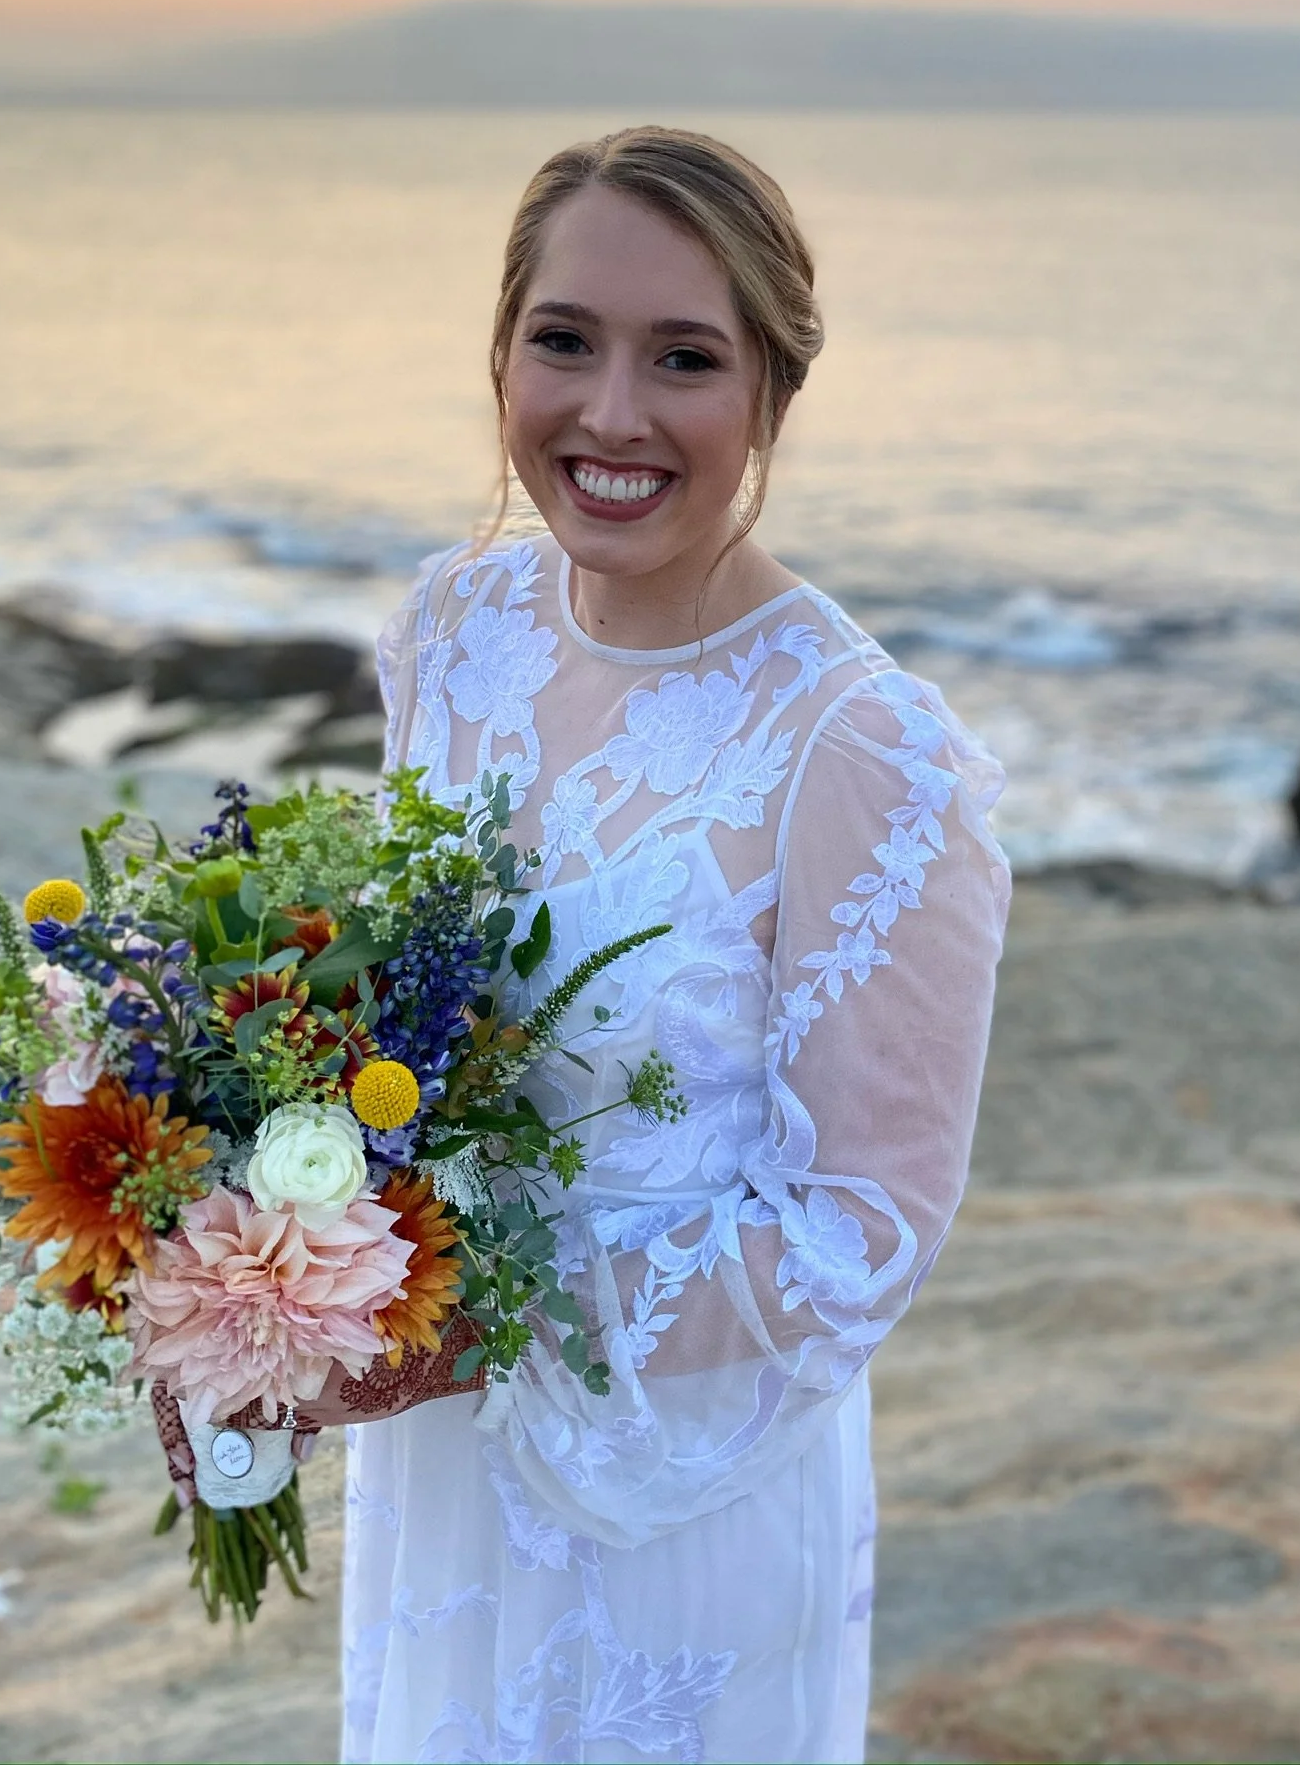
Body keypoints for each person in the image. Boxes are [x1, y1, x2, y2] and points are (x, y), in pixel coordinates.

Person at [176, 125, 1010, 1764]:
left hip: (679, 1489)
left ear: (771, 392)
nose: (612, 415)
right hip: (442, 1458)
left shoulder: (863, 747)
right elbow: (382, 1022)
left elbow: (862, 1234)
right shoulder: (452, 632)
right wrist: (237, 1271)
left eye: (683, 359)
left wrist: (447, 1322)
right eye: (565, 341)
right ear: (501, 352)